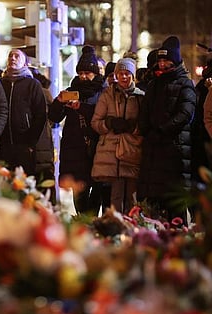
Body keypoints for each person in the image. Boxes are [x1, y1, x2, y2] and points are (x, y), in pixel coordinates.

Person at [137, 36, 196, 221]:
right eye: (160, 61)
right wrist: (146, 130)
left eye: (166, 61)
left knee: (174, 206)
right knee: (154, 205)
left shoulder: (185, 83)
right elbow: (144, 111)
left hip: (174, 152)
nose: (162, 65)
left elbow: (185, 114)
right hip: (153, 151)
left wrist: (162, 131)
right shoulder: (154, 84)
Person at [49, 45, 107, 215]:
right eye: (80, 73)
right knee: (79, 191)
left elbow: (100, 113)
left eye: (87, 73)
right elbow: (54, 117)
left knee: (97, 189)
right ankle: (84, 221)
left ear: (95, 73)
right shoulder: (71, 91)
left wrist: (80, 107)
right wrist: (59, 102)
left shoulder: (104, 92)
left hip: (97, 147)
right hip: (75, 149)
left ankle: (92, 222)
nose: (83, 76)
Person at [91, 58, 145, 213]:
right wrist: (109, 123)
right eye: (120, 73)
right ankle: (115, 232)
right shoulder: (107, 95)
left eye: (127, 73)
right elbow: (96, 123)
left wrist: (133, 127)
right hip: (111, 154)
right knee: (115, 197)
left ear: (133, 76)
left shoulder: (140, 97)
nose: (123, 77)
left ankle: (133, 232)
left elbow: (145, 125)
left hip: (132, 151)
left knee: (132, 199)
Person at [0, 49, 47, 176]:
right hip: (3, 145)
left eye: (16, 56)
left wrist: (30, 142)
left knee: (24, 185)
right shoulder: (0, 83)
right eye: (10, 56)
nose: (12, 58)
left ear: (25, 63)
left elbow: (40, 115)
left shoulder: (32, 84)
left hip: (24, 145)